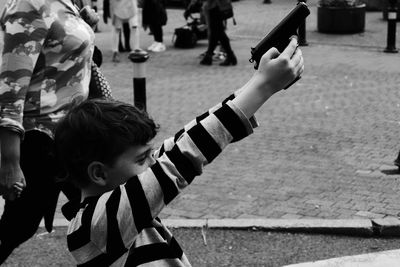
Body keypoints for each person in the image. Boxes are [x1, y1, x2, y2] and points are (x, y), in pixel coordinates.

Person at [56, 37, 304, 266]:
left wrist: (257, 82)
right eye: (142, 158)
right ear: (99, 173)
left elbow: (182, 141)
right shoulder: (95, 227)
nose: (154, 162)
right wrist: (262, 87)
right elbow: (182, 156)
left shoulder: (119, 204)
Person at [0, 0, 110, 263]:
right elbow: (10, 88)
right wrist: (10, 162)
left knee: (103, 216)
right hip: (41, 142)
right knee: (19, 226)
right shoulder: (28, 5)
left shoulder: (68, 2)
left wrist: (86, 27)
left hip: (73, 138)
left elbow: (64, 60)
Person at [186, 0, 237, 66]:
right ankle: (211, 56)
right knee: (217, 33)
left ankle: (228, 56)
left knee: (218, 33)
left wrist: (191, 6)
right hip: (216, 6)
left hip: (215, 7)